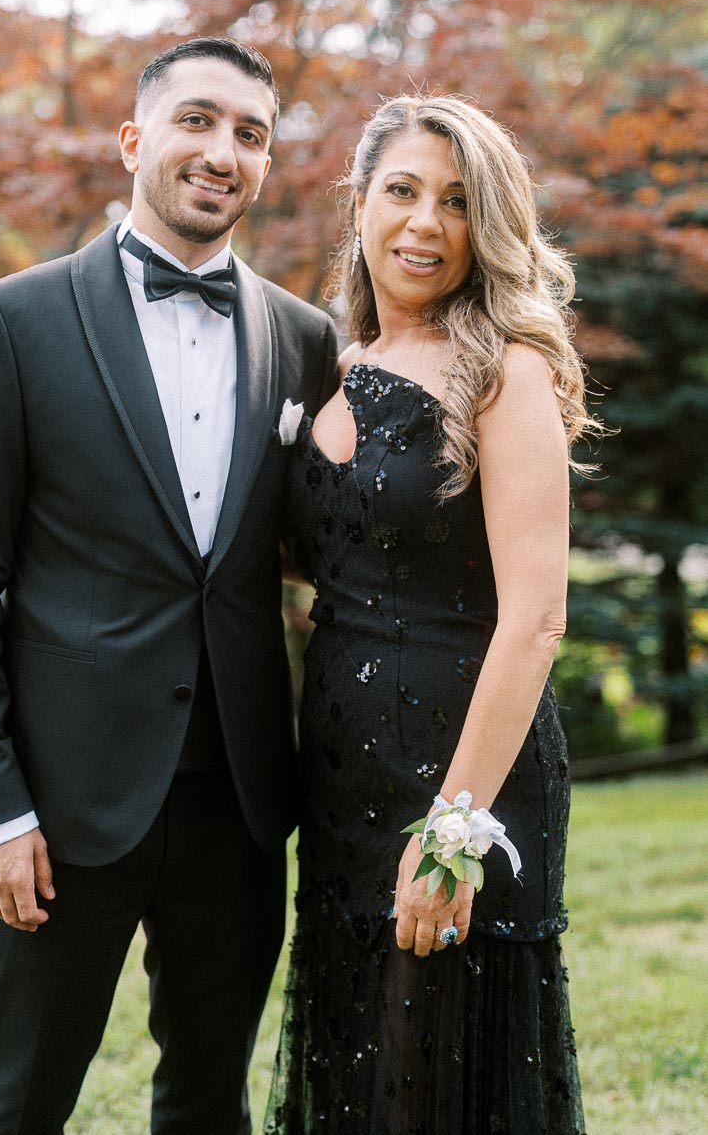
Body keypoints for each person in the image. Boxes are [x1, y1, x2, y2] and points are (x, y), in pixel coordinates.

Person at [0, 36, 339, 1135]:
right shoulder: (13, 320)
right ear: (132, 139)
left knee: (211, 1101)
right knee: (19, 1105)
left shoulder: (307, 338)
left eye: (251, 134)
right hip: (60, 809)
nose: (223, 152)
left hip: (240, 802)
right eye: (197, 120)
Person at [265, 95, 597, 1133]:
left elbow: (537, 617)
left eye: (457, 202)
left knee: (434, 1079)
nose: (424, 223)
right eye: (402, 192)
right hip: (342, 778)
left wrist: (454, 832)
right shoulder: (321, 367)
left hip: (464, 777)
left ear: (487, 223)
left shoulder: (507, 369)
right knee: (361, 1067)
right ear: (359, 203)